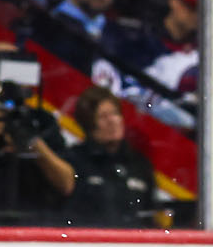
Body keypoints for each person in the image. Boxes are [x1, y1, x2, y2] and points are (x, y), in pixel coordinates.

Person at [0, 43, 76, 225]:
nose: (9, 85)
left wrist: (33, 142)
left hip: (35, 229)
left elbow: (67, 184)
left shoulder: (42, 121)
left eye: (15, 76)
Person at [63, 85, 153, 227]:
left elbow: (151, 216)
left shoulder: (139, 163)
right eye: (103, 117)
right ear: (89, 124)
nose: (112, 121)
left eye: (115, 114)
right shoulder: (75, 160)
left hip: (134, 245)